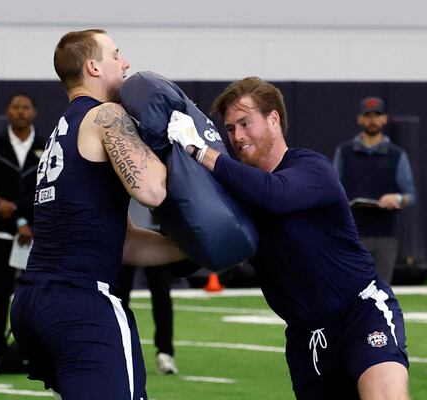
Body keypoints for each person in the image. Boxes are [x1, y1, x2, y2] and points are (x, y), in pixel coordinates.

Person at [167, 77, 410, 399]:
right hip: (306, 337)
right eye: (229, 128)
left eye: (245, 123)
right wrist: (164, 197)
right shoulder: (235, 193)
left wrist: (199, 151)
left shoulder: (311, 167)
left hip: (360, 314)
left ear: (273, 119)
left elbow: (274, 196)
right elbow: (188, 260)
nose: (237, 136)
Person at [9, 29, 185, 400]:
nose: (125, 63)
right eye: (116, 54)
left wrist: (196, 248)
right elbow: (151, 189)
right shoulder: (106, 114)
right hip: (81, 300)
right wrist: (185, 144)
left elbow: (125, 243)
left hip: (33, 301)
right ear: (93, 66)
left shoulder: (65, 127)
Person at [0, 93, 45, 374]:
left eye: (25, 107)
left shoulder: (45, 146)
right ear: (7, 112)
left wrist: (19, 212)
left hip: (36, 232)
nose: (20, 112)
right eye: (15, 107)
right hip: (0, 232)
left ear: (34, 113)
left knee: (39, 295)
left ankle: (38, 353)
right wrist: (8, 212)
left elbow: (45, 188)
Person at [332, 97, 416, 284]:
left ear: (384, 119)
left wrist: (398, 199)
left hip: (384, 235)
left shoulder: (396, 155)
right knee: (351, 288)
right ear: (360, 119)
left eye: (377, 115)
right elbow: (332, 189)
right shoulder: (344, 152)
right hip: (352, 233)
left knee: (381, 291)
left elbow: (410, 195)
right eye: (367, 116)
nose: (372, 120)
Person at [115, 200, 178, 375]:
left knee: (162, 294)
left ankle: (165, 351)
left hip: (156, 232)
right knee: (120, 297)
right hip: (127, 233)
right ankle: (119, 349)